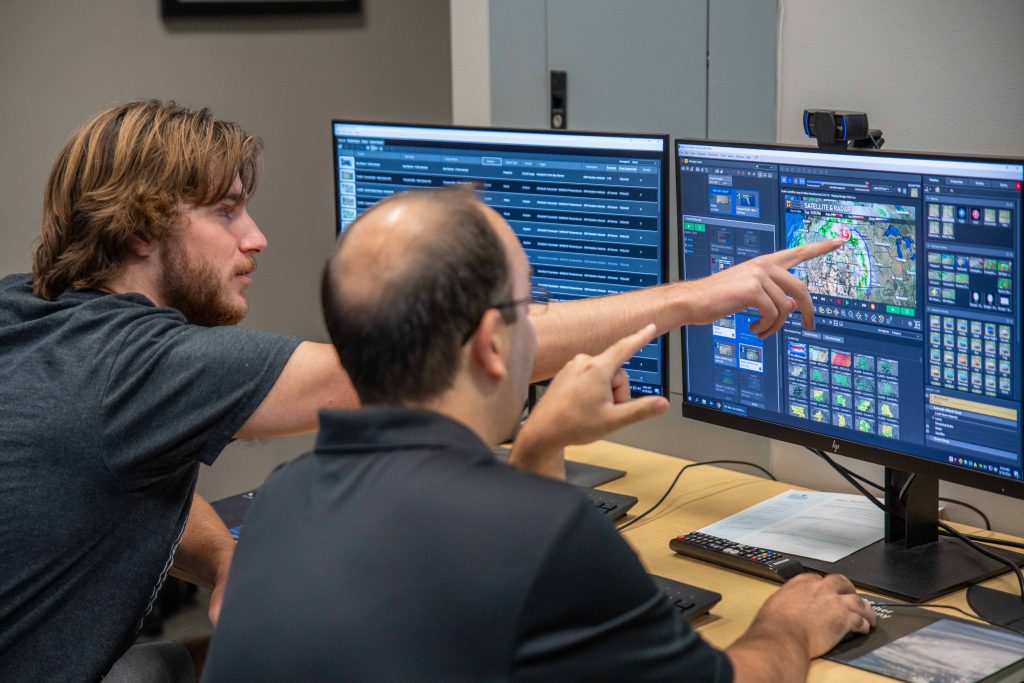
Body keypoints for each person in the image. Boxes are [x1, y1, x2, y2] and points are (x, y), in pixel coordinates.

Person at [0, 100, 837, 681]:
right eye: (225, 212)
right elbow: (373, 368)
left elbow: (106, 461)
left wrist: (225, 555)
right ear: (142, 226)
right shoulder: (143, 366)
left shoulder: (27, 310)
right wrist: (698, 296)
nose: (256, 237)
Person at [203, 187, 874, 682]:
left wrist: (540, 448)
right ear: (492, 345)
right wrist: (788, 623)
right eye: (531, 306)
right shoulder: (544, 531)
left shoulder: (282, 499)